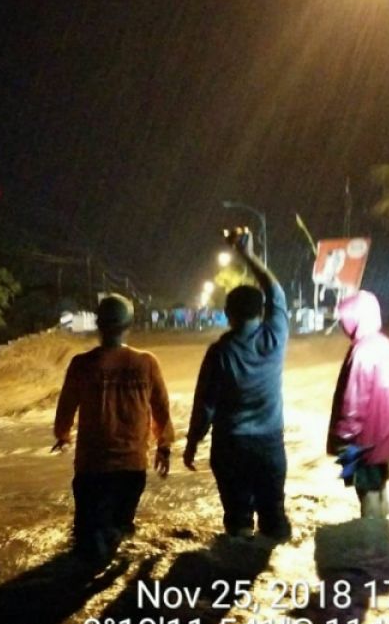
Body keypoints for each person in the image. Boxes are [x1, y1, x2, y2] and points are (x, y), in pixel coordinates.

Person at [184, 228, 291, 540]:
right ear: (261, 311)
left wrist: (193, 442)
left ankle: (234, 577)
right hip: (270, 444)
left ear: (228, 314)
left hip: (230, 446)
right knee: (274, 517)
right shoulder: (275, 337)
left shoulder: (220, 352)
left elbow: (205, 404)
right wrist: (249, 255)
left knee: (238, 520)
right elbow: (276, 291)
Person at [53, 294, 174, 559]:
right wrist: (163, 447)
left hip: (91, 468)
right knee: (120, 529)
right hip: (132, 467)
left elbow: (66, 409)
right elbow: (161, 410)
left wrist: (62, 435)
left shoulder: (81, 364)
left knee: (87, 535)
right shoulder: (147, 363)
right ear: (129, 325)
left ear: (98, 323)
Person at [327, 290, 389, 518]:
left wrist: (344, 436)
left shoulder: (362, 351)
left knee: (367, 492)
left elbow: (354, 401)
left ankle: (372, 545)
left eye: (345, 318)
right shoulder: (387, 345)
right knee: (380, 488)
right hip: (384, 436)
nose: (343, 323)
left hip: (363, 441)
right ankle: (384, 541)